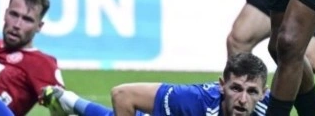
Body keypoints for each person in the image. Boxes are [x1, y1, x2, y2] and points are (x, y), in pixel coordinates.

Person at [41, 52, 269, 116]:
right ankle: (69, 101)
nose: (242, 99)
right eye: (236, 88)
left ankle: (68, 101)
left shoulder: (270, 106)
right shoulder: (192, 100)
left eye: (252, 92)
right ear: (221, 86)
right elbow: (122, 95)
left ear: (263, 93)